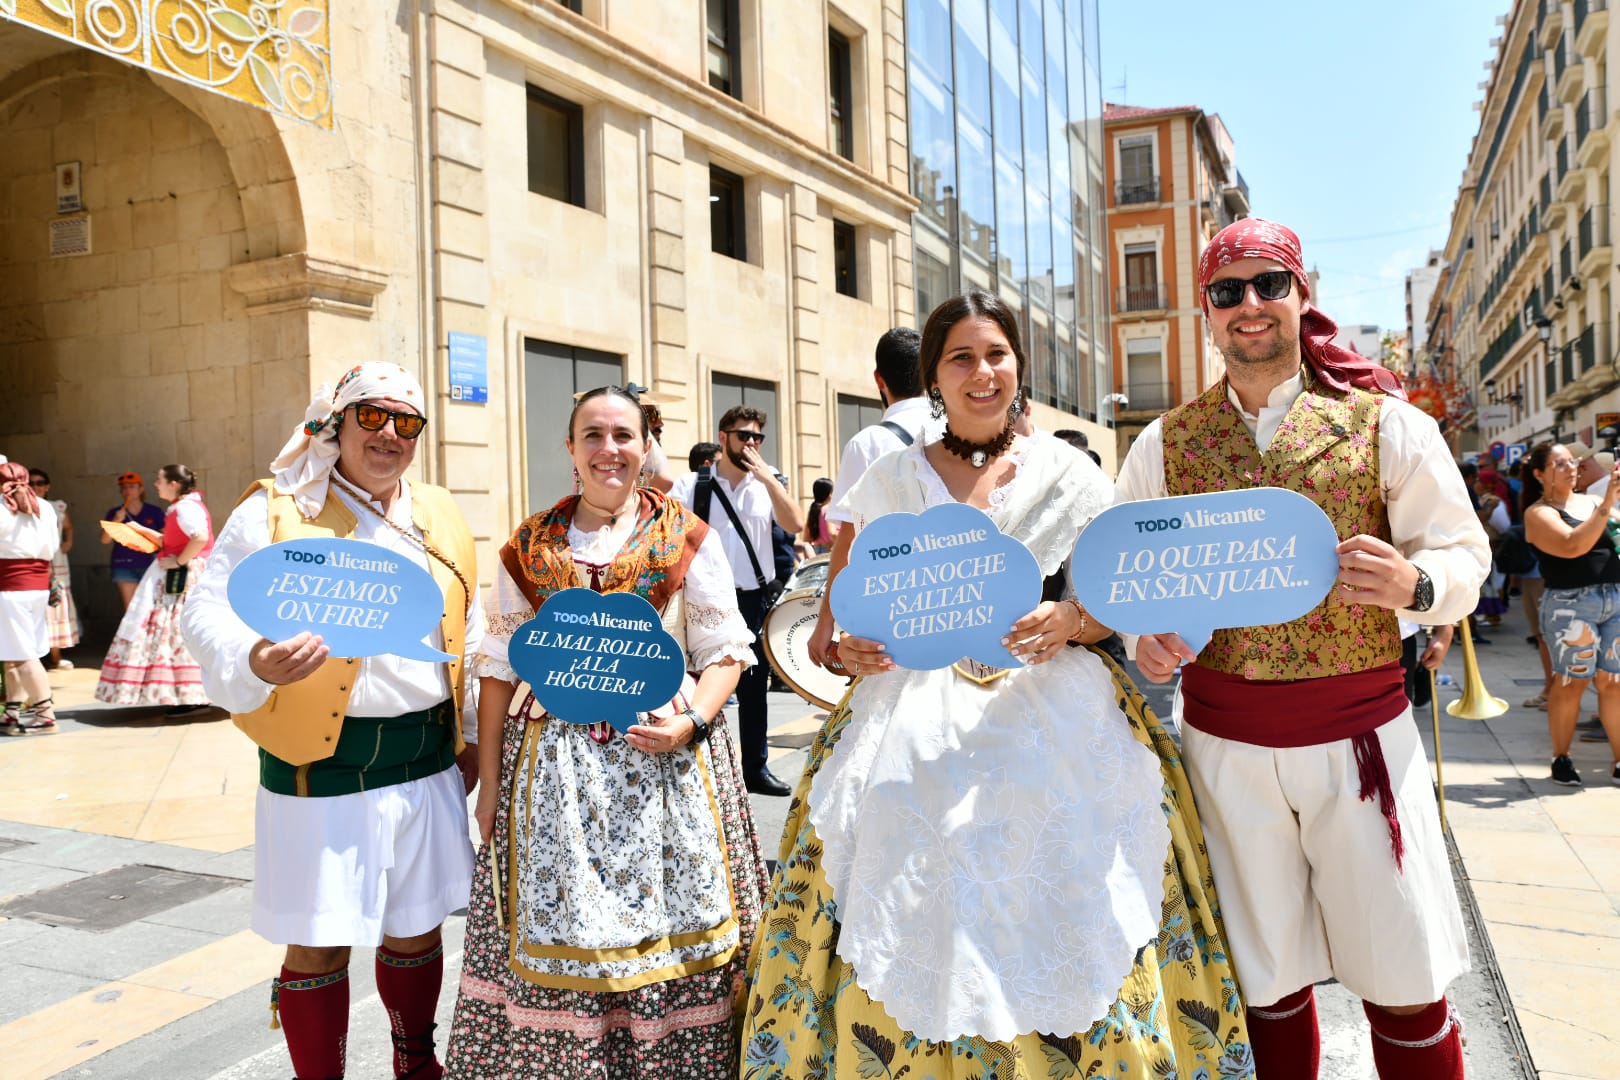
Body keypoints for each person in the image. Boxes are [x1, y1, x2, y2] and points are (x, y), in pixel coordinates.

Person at [739, 290, 1249, 1077]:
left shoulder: (1070, 475)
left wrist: (1073, 621)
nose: (983, 373)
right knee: (896, 862)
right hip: (909, 711)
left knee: (1075, 865)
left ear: (1018, 366)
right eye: (962, 358)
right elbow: (832, 628)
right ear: (932, 380)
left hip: (1054, 704)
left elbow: (1111, 602)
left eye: (997, 355)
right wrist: (856, 647)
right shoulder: (888, 478)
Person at [1117, 218, 1489, 1079]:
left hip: (1360, 739)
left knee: (1403, 971)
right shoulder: (1162, 445)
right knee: (1262, 980)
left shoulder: (1386, 426)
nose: (1250, 305)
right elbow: (1123, 581)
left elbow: (1464, 554)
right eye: (1227, 291)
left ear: (1302, 294)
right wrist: (1148, 638)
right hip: (1224, 748)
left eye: (1268, 285)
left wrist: (1415, 586)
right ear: (1205, 311)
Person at [444, 385, 767, 1077]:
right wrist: (491, 786)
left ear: (646, 444)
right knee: (565, 938)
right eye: (592, 434)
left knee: (669, 935)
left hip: (665, 769)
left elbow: (724, 652)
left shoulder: (684, 536)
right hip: (555, 781)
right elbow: (499, 672)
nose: (608, 449)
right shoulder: (529, 546)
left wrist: (690, 721)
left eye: (623, 435)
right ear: (570, 448)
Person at [182, 363, 482, 1080]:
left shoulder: (438, 511)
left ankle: (416, 1063)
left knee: (416, 929)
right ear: (336, 425)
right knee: (318, 939)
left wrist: (468, 734)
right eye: (371, 418)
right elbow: (205, 609)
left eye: (406, 423)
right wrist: (254, 656)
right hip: (320, 764)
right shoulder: (276, 509)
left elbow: (467, 633)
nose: (388, 435)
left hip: (424, 759)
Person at [670, 405, 804, 796]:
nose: (750, 443)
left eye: (757, 437)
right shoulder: (693, 485)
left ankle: (755, 769)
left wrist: (769, 479)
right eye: (743, 435)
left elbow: (795, 524)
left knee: (753, 690)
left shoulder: (766, 485)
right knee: (698, 686)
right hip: (701, 602)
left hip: (751, 600)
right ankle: (698, 768)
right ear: (723, 436)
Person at [807, 327, 934, 671]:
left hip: (890, 605)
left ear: (880, 379)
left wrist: (825, 622)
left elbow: (848, 539)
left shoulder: (868, 444)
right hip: (955, 594)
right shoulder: (956, 429)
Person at [1521, 439, 1620, 786]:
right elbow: (1572, 544)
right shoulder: (1539, 513)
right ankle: (1561, 757)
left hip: (1614, 597)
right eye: (1560, 463)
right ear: (1539, 474)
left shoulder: (1593, 501)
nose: (1572, 467)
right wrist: (1607, 505)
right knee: (1571, 681)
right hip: (1569, 604)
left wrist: (1609, 503)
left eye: (1573, 461)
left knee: (1613, 682)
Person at [94, 464, 214, 711]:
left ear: (173, 484)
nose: (156, 485)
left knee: (177, 631)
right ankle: (185, 694)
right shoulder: (181, 507)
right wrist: (143, 531)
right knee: (173, 632)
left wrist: (180, 561)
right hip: (179, 574)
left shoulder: (185, 507)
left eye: (159, 480)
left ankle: (190, 695)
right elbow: (172, 541)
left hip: (183, 578)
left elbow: (200, 537)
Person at [1, 462, 60, 735]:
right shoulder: (44, 506)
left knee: (23, 655)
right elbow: (54, 546)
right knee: (14, 652)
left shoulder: (2, 505)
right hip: (37, 587)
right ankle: (11, 712)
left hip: (11, 588)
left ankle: (45, 714)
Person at [30, 469, 81, 669]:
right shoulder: (21, 507)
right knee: (35, 604)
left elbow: (69, 526)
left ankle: (56, 656)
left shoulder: (57, 507)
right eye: (32, 483)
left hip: (56, 561)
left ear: (47, 485)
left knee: (56, 601)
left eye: (40, 482)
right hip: (34, 561)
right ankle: (32, 658)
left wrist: (67, 543)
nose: (36, 487)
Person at [101, 471, 166, 610]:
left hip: (150, 563)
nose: (128, 490)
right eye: (124, 487)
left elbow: (166, 537)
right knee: (131, 608)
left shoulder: (154, 511)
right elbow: (105, 540)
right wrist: (116, 521)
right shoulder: (114, 512)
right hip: (123, 565)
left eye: (132, 486)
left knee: (151, 606)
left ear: (141, 489)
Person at [801, 476, 837, 555]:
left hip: (816, 551)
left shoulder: (813, 511)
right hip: (829, 551)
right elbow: (832, 533)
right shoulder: (828, 509)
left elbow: (806, 539)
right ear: (830, 494)